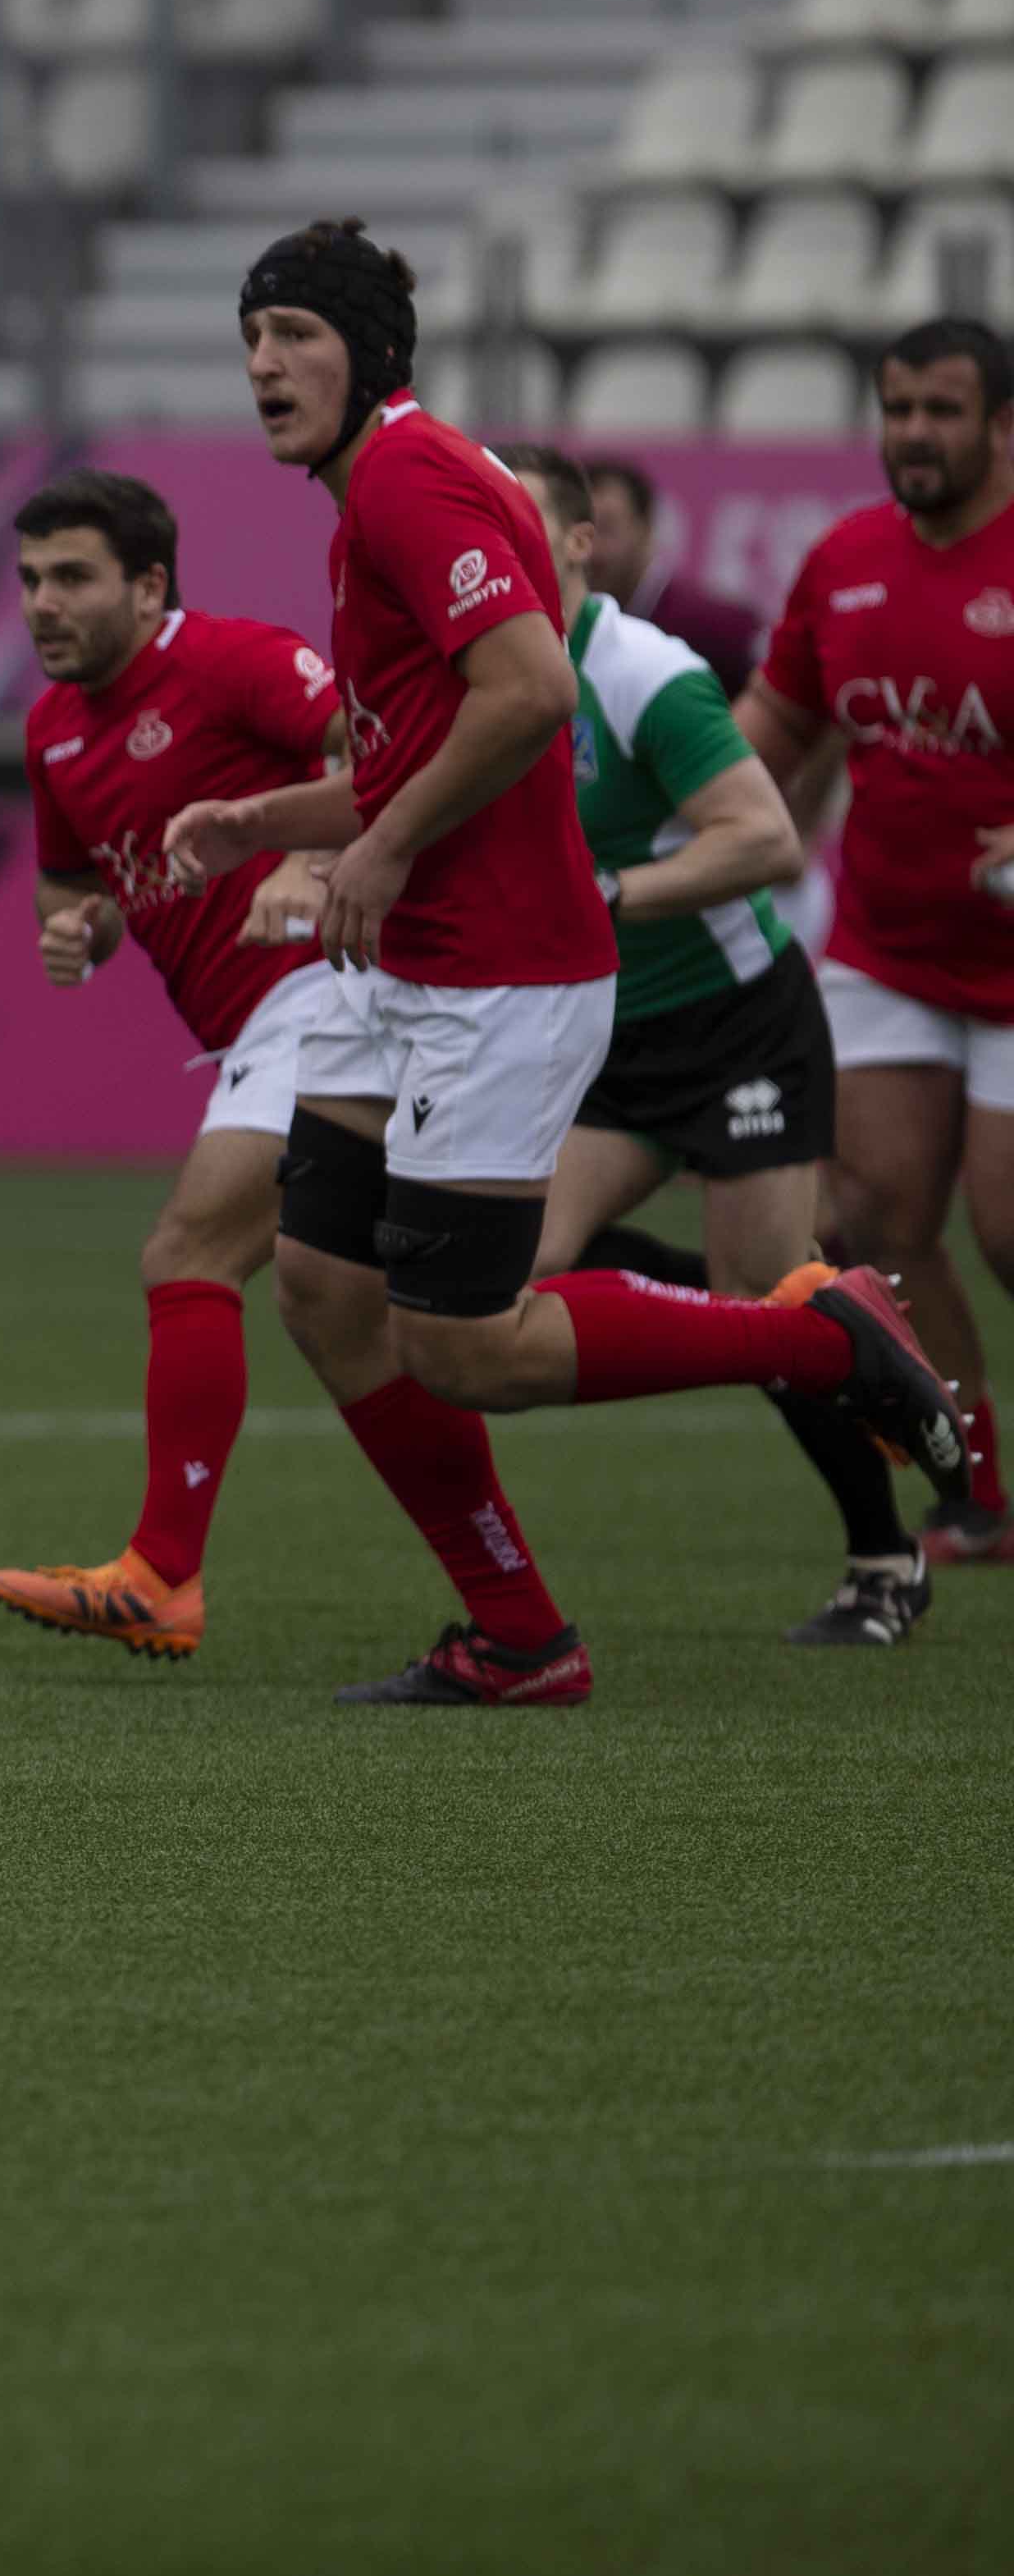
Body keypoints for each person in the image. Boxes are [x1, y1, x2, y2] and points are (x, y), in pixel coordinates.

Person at [162, 223, 956, 1708]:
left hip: (498, 979)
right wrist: (266, 820)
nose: (263, 365)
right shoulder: (370, 495)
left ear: (369, 354)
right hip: (404, 972)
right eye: (249, 336)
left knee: (464, 1347)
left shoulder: (409, 476)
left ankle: (817, 1334)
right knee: (326, 1291)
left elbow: (528, 694)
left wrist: (381, 856)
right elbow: (420, 751)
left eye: (292, 335)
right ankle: (517, 1632)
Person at [467, 444, 914, 1645]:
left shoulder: (643, 673)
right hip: (608, 1036)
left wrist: (607, 896)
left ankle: (886, 1560)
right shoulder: (477, 674)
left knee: (771, 1317)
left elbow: (766, 841)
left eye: (520, 525)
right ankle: (797, 1300)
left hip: (737, 1028)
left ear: (577, 544)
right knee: (506, 1282)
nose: (487, 550)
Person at [0, 470, 352, 1660]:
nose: (43, 603)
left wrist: (314, 867)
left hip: (338, 992)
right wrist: (78, 927)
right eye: (30, 579)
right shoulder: (51, 733)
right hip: (261, 1030)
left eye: (72, 577)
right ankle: (805, 1334)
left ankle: (161, 1575)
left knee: (190, 1252)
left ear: (147, 585)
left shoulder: (238, 661)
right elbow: (75, 880)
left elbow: (380, 762)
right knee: (416, 1317)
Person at [733, 319, 1014, 1570]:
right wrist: (690, 817)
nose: (914, 433)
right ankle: (980, 1493)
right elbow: (770, 732)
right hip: (889, 947)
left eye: (942, 410)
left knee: (1009, 1236)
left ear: (1001, 425)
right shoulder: (843, 561)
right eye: (897, 408)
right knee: (882, 1218)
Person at [579, 455, 765, 694]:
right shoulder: (563, 630)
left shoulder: (723, 629)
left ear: (646, 529)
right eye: (582, 533)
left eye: (607, 529)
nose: (592, 551)